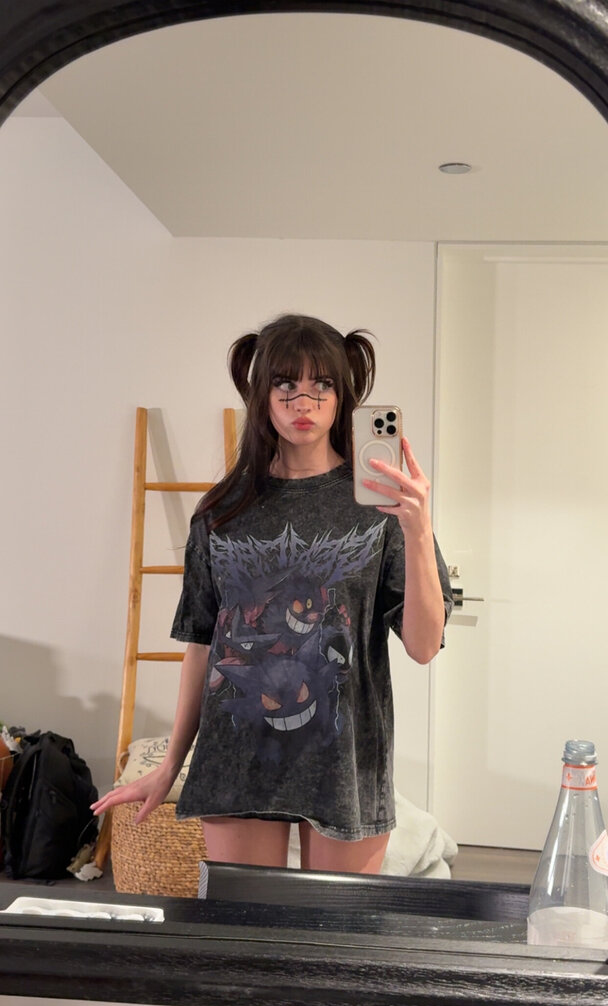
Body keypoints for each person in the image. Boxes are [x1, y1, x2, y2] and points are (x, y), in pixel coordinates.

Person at [92, 314, 453, 873]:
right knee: (244, 925)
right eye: (285, 383)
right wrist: (171, 766)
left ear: (342, 396)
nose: (302, 401)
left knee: (333, 928)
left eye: (321, 384)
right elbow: (202, 646)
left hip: (345, 763)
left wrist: (419, 530)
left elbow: (424, 646)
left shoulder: (385, 507)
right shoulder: (222, 511)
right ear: (261, 393)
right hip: (237, 757)